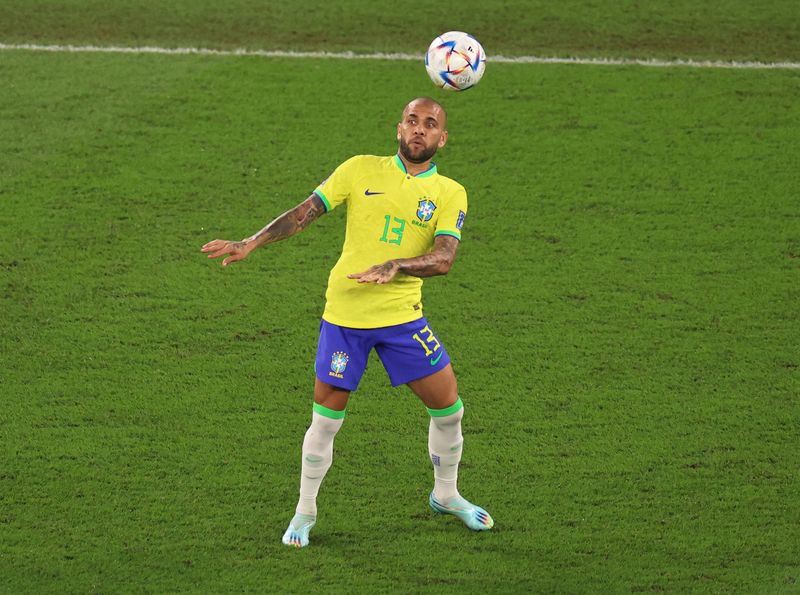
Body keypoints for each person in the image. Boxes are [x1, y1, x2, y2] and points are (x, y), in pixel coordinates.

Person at [201, 97, 493, 548]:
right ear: (399, 128)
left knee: (450, 409)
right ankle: (304, 512)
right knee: (326, 420)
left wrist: (396, 265)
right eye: (412, 121)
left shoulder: (450, 192)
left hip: (402, 320)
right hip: (346, 317)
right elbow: (304, 213)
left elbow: (444, 258)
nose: (420, 129)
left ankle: (446, 494)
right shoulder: (360, 169)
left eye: (430, 124)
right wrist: (251, 242)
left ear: (442, 138)